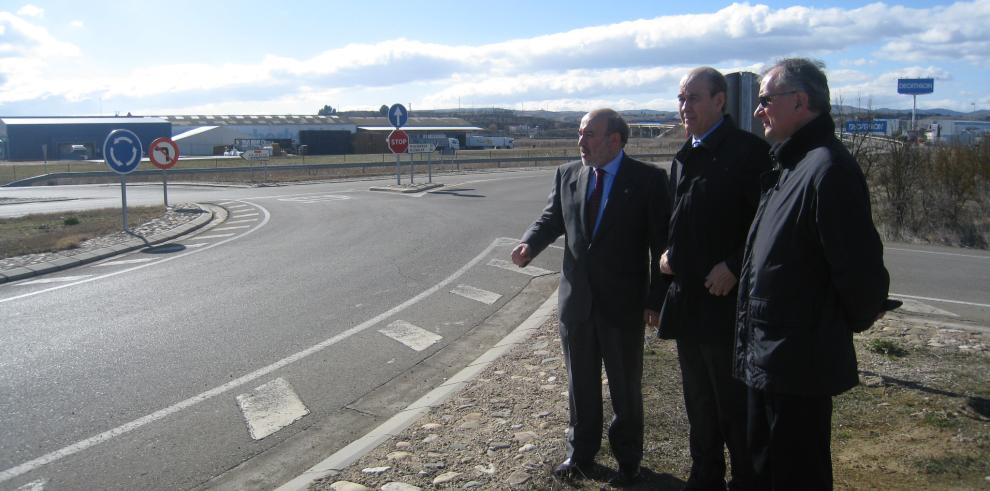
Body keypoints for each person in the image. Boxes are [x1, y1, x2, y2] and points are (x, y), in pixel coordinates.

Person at [733, 58, 890, 490]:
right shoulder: (789, 167)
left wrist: (842, 322)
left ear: (800, 101)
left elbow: (859, 269)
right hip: (769, 356)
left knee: (796, 474)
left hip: (798, 363)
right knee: (765, 471)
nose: (757, 110)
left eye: (766, 100)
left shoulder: (827, 169)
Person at [511, 108, 670, 487]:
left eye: (589, 135)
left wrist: (656, 297)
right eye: (580, 134)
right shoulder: (568, 175)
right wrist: (529, 244)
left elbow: (661, 244)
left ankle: (628, 459)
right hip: (577, 303)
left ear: (615, 140)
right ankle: (580, 452)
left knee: (624, 387)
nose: (580, 142)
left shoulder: (648, 180)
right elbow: (552, 219)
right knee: (580, 386)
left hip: (623, 305)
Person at [658, 67, 771, 491]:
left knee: (733, 408)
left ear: (720, 101)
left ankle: (747, 481)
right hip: (689, 305)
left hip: (727, 310)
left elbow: (766, 226)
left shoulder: (748, 153)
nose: (685, 107)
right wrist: (669, 253)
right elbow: (679, 218)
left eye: (694, 98)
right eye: (681, 99)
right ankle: (704, 477)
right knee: (698, 406)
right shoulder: (684, 155)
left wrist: (735, 264)